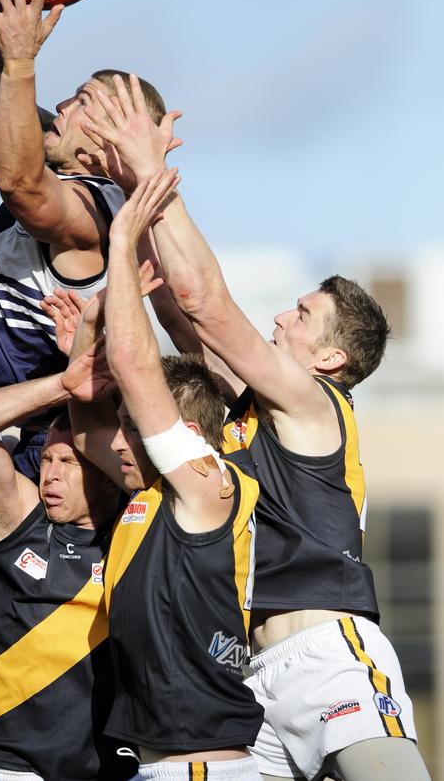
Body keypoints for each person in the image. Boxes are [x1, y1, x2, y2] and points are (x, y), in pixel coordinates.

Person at [80, 75, 431, 781]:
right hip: (254, 676)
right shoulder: (254, 406)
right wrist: (132, 195)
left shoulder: (313, 400)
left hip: (331, 659)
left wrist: (153, 175)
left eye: (300, 315)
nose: (279, 318)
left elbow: (205, 302)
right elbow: (182, 318)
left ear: (330, 356)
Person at [65, 172, 264, 781]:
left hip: (202, 767)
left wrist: (121, 242)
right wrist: (86, 329)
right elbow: (81, 423)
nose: (118, 440)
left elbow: (133, 364)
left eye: (134, 426)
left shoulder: (208, 484)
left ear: (184, 432)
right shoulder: (148, 494)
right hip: (162, 764)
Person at [0, 0, 177, 482]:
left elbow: (20, 186)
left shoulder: (100, 205)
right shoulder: (62, 162)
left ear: (110, 136)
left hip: (72, 445)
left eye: (80, 100)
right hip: (28, 427)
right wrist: (2, 3)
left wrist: (21, 59)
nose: (60, 104)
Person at [0, 350, 138, 781]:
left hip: (103, 767)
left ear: (110, 473)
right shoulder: (20, 518)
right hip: (3, 765)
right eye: (47, 459)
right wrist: (66, 383)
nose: (50, 474)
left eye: (68, 462)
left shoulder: (140, 530)